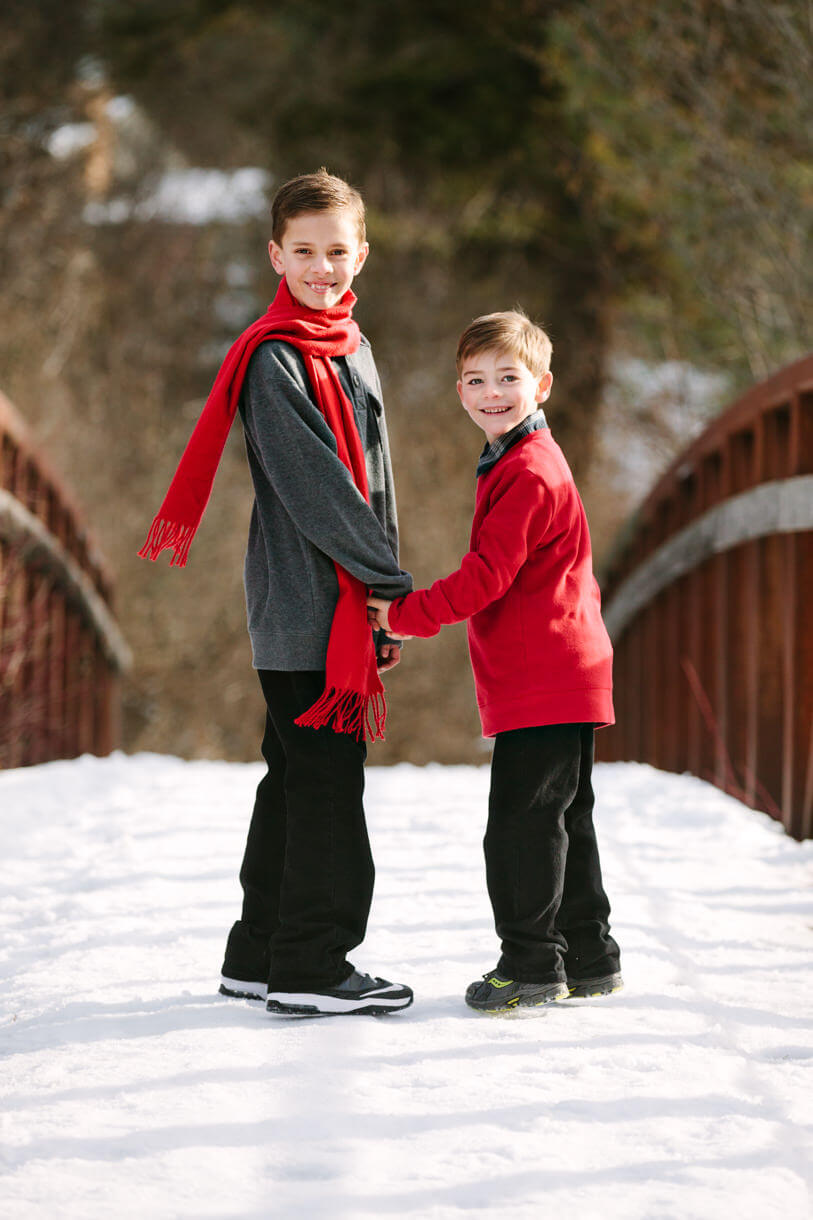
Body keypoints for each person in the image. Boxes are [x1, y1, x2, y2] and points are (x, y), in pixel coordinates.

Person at [140, 169, 414, 1017]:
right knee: (328, 787)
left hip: (342, 595)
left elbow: (377, 482)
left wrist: (381, 582)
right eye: (305, 251)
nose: (322, 267)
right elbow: (318, 488)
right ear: (275, 254)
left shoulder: (351, 343)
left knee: (291, 779)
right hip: (303, 604)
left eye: (337, 250)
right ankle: (312, 965)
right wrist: (391, 583)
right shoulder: (275, 357)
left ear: (361, 253)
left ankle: (258, 953)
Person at [368, 310, 622, 1014]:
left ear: (540, 384)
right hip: (566, 665)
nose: (491, 392)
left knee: (520, 825)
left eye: (507, 378)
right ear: (458, 392)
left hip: (544, 672)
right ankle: (589, 954)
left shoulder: (527, 471)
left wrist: (404, 615)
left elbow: (487, 575)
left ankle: (531, 965)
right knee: (563, 819)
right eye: (475, 380)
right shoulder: (520, 457)